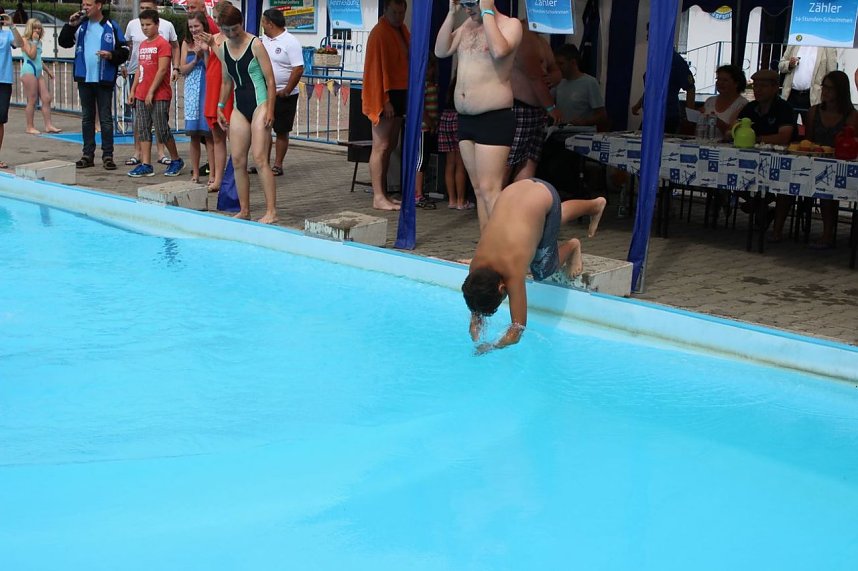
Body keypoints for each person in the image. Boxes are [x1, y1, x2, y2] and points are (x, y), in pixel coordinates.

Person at [462, 178, 606, 352]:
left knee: (541, 269)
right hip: (518, 189)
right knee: (549, 221)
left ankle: (573, 246)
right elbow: (476, 291)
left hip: (545, 194)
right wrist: (475, 317)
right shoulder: (476, 268)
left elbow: (517, 329)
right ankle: (595, 205)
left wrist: (491, 347)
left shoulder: (512, 271)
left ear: (502, 288)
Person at [435, 0, 522, 230]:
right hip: (465, 120)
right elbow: (441, 50)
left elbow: (500, 50)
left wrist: (486, 11)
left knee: (490, 189)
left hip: (493, 118)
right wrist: (451, 14)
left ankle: (504, 256)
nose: (467, 9)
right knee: (477, 189)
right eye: (463, 4)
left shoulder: (510, 25)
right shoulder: (466, 27)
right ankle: (485, 253)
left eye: (471, 3)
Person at [773, 70, 857, 246]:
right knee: (788, 183)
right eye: (823, 87)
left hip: (838, 163)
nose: (825, 92)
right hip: (813, 159)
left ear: (840, 91)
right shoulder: (814, 111)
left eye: (830, 89)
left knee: (827, 189)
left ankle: (827, 234)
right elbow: (808, 140)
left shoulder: (852, 116)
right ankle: (777, 229)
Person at [215, 4, 278, 223]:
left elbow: (270, 81)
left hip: (260, 104)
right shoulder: (223, 48)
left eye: (235, 29)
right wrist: (220, 107)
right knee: (238, 161)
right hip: (239, 108)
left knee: (260, 158)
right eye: (227, 30)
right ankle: (245, 210)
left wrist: (270, 109)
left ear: (241, 23)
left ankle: (271, 211)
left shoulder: (255, 44)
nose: (232, 34)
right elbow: (226, 81)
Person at [59, 0, 129, 170]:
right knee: (87, 118)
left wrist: (111, 55)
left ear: (99, 5)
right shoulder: (80, 25)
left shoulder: (111, 25)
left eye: (89, 4)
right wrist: (69, 25)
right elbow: (64, 42)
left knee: (105, 118)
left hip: (103, 78)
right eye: (84, 4)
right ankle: (87, 154)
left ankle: (108, 155)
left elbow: (125, 50)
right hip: (84, 78)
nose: (85, 8)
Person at [362, 0, 410, 211]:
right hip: (386, 96)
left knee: (390, 146)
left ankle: (385, 193)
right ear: (385, 10)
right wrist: (385, 100)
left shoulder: (402, 30)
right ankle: (378, 196)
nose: (398, 16)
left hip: (401, 91)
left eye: (401, 13)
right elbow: (375, 70)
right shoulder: (379, 33)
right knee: (380, 146)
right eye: (394, 12)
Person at [126, 9, 183, 178]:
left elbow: (163, 69)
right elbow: (139, 69)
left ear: (157, 24)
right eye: (142, 25)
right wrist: (133, 90)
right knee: (143, 128)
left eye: (149, 24)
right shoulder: (143, 45)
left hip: (159, 94)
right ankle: (146, 163)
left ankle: (176, 159)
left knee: (161, 128)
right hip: (142, 94)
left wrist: (151, 91)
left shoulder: (162, 44)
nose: (145, 28)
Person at [506, 18, 562, 182]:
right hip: (518, 108)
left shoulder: (541, 41)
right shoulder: (522, 34)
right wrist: (551, 107)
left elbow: (556, 69)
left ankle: (520, 205)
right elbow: (534, 76)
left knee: (530, 160)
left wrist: (554, 76)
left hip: (537, 112)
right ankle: (495, 205)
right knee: (509, 161)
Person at [260, 8, 303, 177]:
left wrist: (287, 90)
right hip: (265, 93)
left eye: (263, 22)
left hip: (283, 94)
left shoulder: (290, 42)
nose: (262, 25)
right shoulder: (263, 40)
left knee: (281, 130)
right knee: (263, 128)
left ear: (270, 23)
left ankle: (278, 164)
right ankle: (263, 162)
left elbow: (298, 68)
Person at [631, 28, 695, 134]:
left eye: (650, 34)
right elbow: (652, 87)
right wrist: (638, 104)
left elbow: (690, 88)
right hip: (650, 114)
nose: (647, 37)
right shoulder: (656, 58)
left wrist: (690, 117)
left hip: (667, 115)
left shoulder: (675, 60)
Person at [196, 0, 231, 193]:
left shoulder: (232, 38)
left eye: (218, 18)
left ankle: (229, 176)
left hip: (225, 87)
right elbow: (212, 64)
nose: (215, 22)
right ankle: (217, 177)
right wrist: (204, 51)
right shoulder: (215, 37)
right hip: (213, 84)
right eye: (215, 18)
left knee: (228, 133)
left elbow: (229, 61)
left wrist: (212, 45)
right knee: (216, 135)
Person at [179, 11, 212, 184]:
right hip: (192, 89)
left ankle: (213, 174)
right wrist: (194, 59)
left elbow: (210, 67)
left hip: (206, 87)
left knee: (209, 135)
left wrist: (204, 52)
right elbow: (182, 69)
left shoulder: (211, 40)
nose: (193, 30)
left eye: (196, 26)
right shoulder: (186, 43)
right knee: (194, 135)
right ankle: (195, 174)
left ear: (203, 25)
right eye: (190, 26)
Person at [778, 45, 836, 125]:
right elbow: (781, 65)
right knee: (786, 126)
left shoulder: (827, 46)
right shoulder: (796, 42)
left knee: (812, 128)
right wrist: (789, 64)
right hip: (791, 95)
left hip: (812, 97)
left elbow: (832, 73)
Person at [736, 69, 795, 145]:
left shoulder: (784, 108)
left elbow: (783, 138)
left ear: (775, 88)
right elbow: (734, 128)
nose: (758, 90)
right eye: (755, 85)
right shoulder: (750, 107)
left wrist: (752, 138)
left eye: (763, 86)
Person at [437, 75, 470, 210]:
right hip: (459, 119)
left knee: (450, 164)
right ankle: (461, 201)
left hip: (446, 118)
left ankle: (451, 199)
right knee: (460, 165)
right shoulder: (467, 87)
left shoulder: (451, 88)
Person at [415, 54, 439, 208]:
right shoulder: (422, 85)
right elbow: (421, 107)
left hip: (430, 126)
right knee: (421, 161)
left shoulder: (432, 85)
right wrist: (430, 122)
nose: (433, 71)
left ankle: (419, 191)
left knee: (425, 159)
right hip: (423, 127)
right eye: (431, 68)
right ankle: (417, 193)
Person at [701, 64, 748, 140]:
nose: (720, 83)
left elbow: (733, 132)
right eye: (718, 79)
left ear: (736, 83)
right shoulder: (710, 101)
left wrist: (717, 122)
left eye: (725, 80)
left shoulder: (742, 104)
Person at [0, 9, 21, 169]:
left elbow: (19, 44)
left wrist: (12, 25)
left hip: (3, 81)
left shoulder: (6, 35)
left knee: (0, 121)